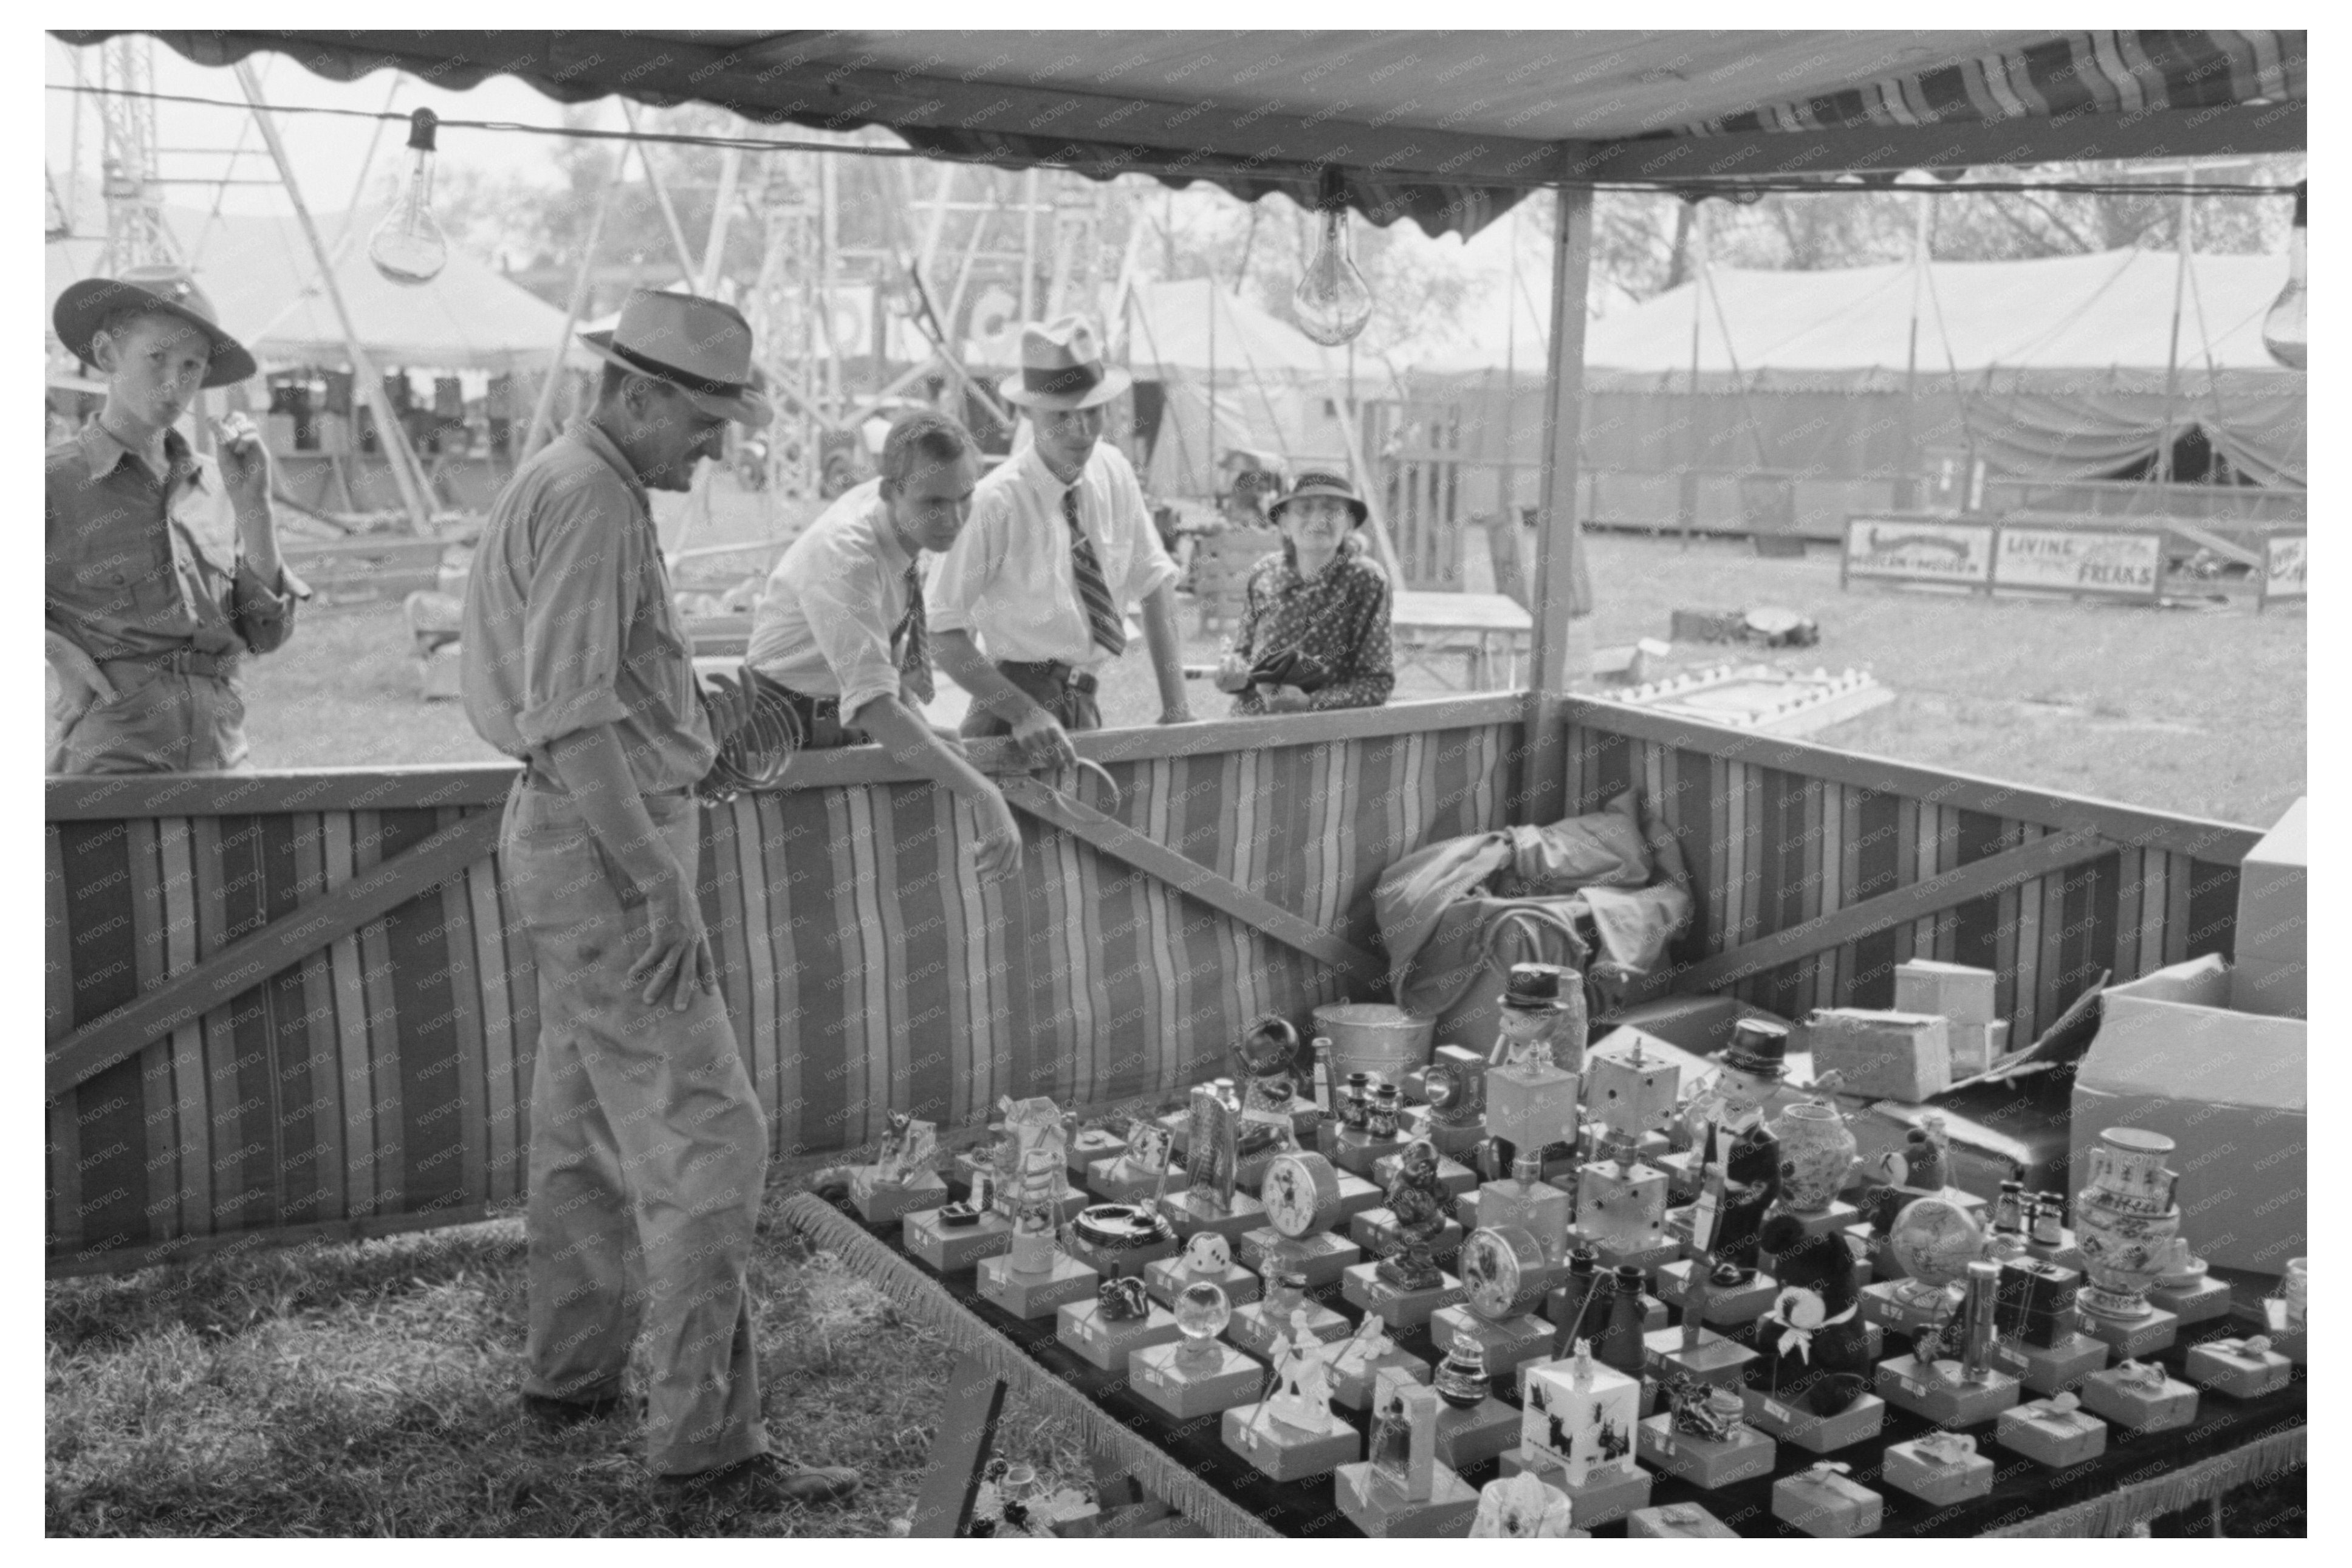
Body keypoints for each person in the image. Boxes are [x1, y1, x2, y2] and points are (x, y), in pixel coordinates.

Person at [459, 287, 859, 1513]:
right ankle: (710, 1446)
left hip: (576, 838)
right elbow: (570, 720)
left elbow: (590, 694)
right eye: (701, 418)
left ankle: (571, 1376)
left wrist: (686, 713)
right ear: (632, 392)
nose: (717, 445)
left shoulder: (576, 480)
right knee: (710, 1136)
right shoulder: (589, 498)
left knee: (582, 1124)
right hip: (606, 844)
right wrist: (661, 882)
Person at [46, 265, 309, 773]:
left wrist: (254, 505)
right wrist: (56, 650)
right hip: (115, 761)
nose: (174, 382)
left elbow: (267, 635)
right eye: (156, 358)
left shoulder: (220, 481)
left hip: (223, 756)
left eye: (192, 366)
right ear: (106, 355)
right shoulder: (51, 481)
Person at [744, 409, 1020, 875]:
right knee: (790, 882)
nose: (953, 518)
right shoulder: (845, 554)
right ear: (890, 490)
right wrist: (983, 794)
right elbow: (872, 704)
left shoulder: (901, 522)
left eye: (965, 497)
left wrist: (918, 723)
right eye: (934, 502)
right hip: (780, 731)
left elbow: (883, 655)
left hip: (839, 718)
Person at [930, 315, 1192, 769]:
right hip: (1011, 715)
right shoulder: (996, 501)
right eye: (1062, 417)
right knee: (1014, 836)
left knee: (1085, 835)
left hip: (1083, 703)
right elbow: (941, 631)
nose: (1080, 430)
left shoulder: (1114, 471)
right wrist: (1023, 712)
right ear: (1028, 413)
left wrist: (1177, 709)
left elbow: (1155, 585)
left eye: (1092, 412)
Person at [1213, 470, 1394, 716]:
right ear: (1285, 524)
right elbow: (1243, 659)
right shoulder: (1264, 574)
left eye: (1331, 509)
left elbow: (1377, 684)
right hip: (1252, 728)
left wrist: (1310, 702)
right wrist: (1232, 676)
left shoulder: (1366, 580)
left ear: (1350, 523)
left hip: (1326, 735)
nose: (1318, 519)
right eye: (1304, 509)